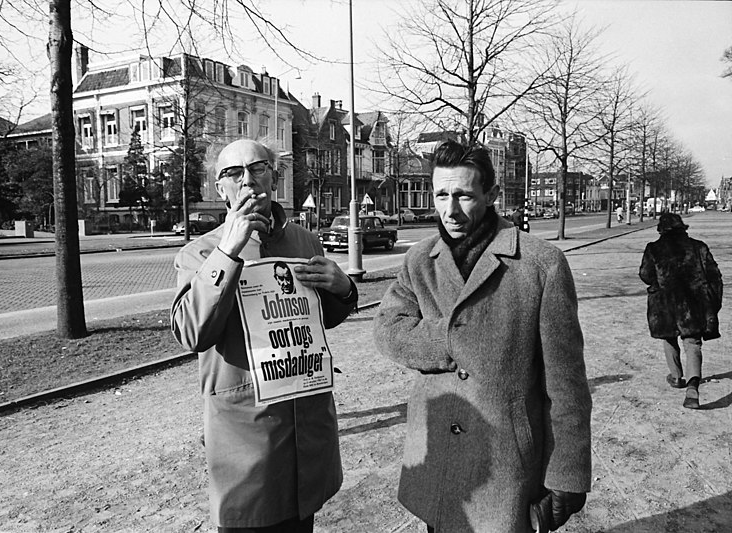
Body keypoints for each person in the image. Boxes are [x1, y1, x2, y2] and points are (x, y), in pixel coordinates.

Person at [373, 140, 592, 533]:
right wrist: (450, 338)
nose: (450, 210)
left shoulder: (541, 265)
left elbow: (567, 384)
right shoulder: (420, 259)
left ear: (491, 195)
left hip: (507, 468)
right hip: (437, 460)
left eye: (464, 196)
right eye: (441, 194)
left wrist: (567, 476)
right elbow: (387, 330)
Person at [171, 139, 358, 532]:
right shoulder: (200, 253)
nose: (247, 181)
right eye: (233, 173)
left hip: (306, 435)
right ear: (218, 188)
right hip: (247, 441)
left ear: (274, 177)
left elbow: (319, 319)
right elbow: (191, 332)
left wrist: (343, 290)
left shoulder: (305, 242)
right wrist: (229, 251)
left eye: (257, 168)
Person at [639, 213, 723, 409]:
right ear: (682, 227)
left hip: (665, 302)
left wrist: (658, 283)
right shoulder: (699, 246)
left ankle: (676, 377)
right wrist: (712, 303)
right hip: (694, 302)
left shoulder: (653, 249)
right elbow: (714, 274)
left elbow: (645, 274)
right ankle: (693, 386)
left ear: (661, 228)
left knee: (669, 337)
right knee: (692, 342)